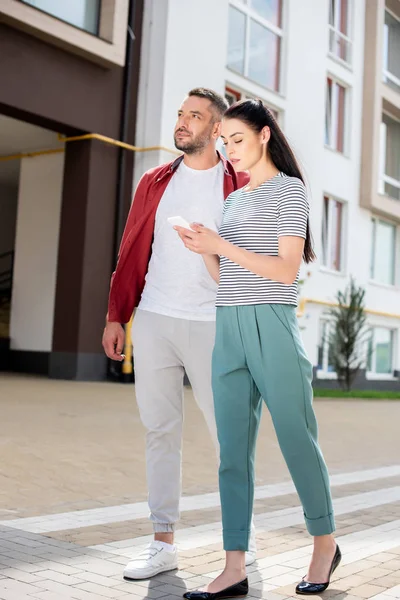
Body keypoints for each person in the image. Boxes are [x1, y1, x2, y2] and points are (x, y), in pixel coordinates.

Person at [174, 99, 341, 599]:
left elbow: (286, 271)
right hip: (229, 328)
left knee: (296, 439)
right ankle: (233, 567)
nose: (230, 150)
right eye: (224, 143)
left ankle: (324, 544)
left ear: (265, 135)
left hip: (272, 325)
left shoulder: (290, 192)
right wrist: (204, 249)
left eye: (237, 140)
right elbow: (228, 277)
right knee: (232, 454)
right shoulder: (232, 201)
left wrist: (221, 246)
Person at [102, 88, 258, 581]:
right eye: (180, 114)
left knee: (230, 436)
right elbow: (131, 250)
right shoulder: (154, 181)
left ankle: (240, 542)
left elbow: (253, 264)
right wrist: (116, 314)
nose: (183, 122)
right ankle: (162, 540)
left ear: (217, 130)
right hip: (153, 318)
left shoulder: (242, 183)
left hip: (216, 324)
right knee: (159, 430)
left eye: (196, 116)